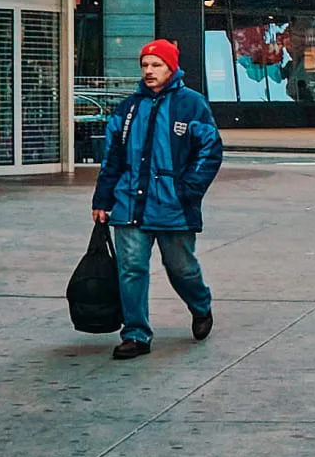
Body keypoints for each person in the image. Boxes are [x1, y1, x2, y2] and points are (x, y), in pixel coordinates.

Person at [91, 40, 222, 360]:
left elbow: (210, 150)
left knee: (181, 267)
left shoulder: (192, 104)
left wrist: (187, 191)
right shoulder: (127, 108)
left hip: (172, 205)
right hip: (129, 203)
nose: (149, 71)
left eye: (156, 65)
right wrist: (102, 199)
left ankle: (200, 304)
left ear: (171, 67)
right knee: (131, 268)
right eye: (145, 65)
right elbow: (112, 158)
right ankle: (135, 333)